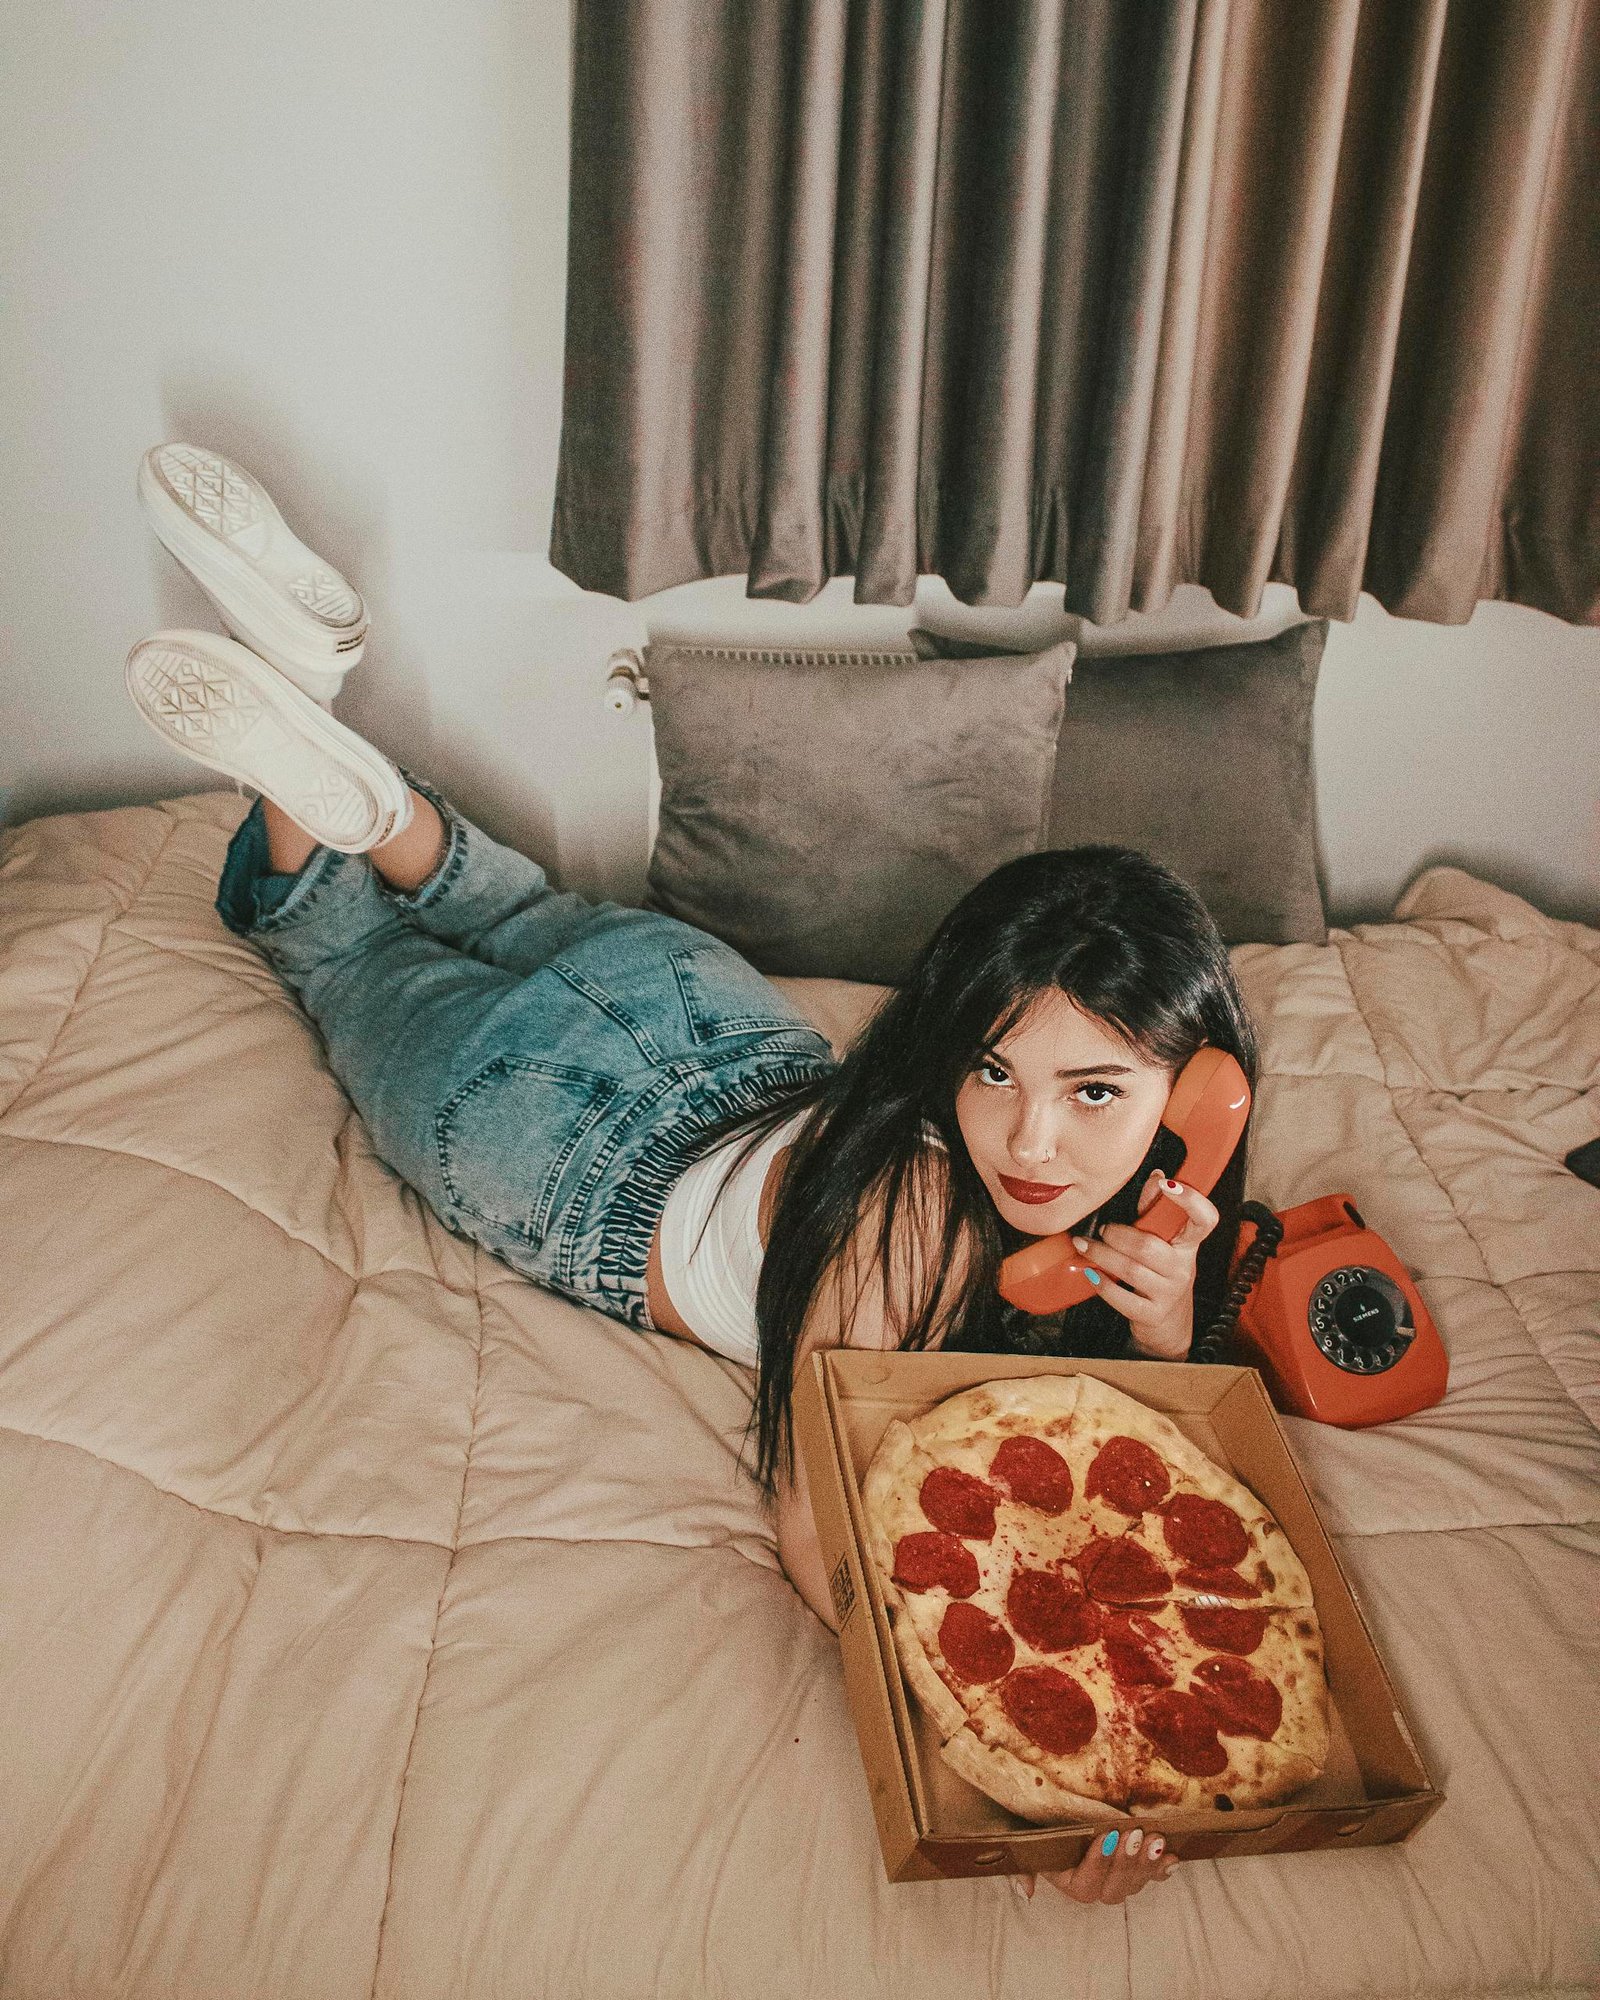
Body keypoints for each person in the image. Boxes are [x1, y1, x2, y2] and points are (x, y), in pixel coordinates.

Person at [126, 446, 1258, 1903]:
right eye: (994, 1073)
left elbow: (1139, 1412)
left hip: (705, 1018)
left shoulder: (1097, 1199)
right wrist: (1007, 1782)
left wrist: (1167, 1317)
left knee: (511, 899)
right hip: (566, 1143)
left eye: (1094, 1093)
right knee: (339, 950)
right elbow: (816, 1523)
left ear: (1201, 1091)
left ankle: (321, 707)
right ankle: (286, 759)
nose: (1034, 1144)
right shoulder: (914, 1227)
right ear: (948, 1050)